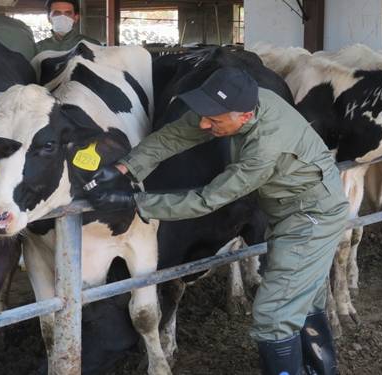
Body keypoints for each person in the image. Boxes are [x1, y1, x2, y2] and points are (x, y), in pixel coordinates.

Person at [84, 67, 349, 375]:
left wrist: (136, 203)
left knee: (274, 314)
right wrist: (124, 168)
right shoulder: (239, 105)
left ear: (244, 117)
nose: (203, 123)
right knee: (304, 298)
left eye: (214, 119)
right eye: (204, 112)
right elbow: (175, 134)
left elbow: (209, 199)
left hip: (311, 217)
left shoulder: (265, 145)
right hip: (291, 209)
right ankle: (321, 369)